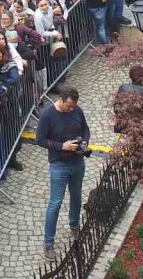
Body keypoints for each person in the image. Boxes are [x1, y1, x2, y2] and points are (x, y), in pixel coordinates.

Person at [36, 87, 90, 260]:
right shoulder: (48, 115)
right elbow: (40, 140)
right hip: (59, 164)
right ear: (61, 99)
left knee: (76, 196)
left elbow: (85, 129)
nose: (72, 108)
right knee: (55, 203)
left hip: (77, 162)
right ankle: (48, 242)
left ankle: (74, 225)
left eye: (74, 105)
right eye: (69, 105)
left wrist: (84, 142)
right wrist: (62, 146)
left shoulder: (76, 110)